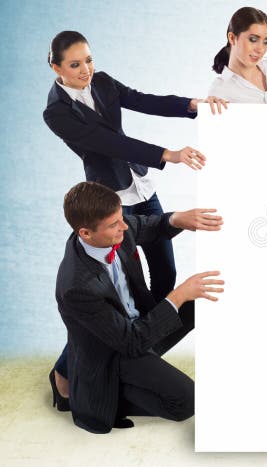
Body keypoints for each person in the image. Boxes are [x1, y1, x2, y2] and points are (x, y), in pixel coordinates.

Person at [44, 31, 228, 402]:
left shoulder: (104, 82)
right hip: (111, 200)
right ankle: (66, 373)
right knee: (114, 296)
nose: (86, 70)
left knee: (165, 277)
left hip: (142, 189)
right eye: (76, 64)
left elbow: (144, 100)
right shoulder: (57, 113)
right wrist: (169, 154)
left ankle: (136, 349)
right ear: (56, 67)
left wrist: (192, 105)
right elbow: (108, 143)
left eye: (89, 60)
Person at [51, 181, 224, 433]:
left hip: (136, 328)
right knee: (187, 402)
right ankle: (105, 394)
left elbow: (145, 226)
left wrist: (177, 219)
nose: (124, 226)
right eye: (114, 224)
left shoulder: (112, 229)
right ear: (85, 233)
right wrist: (177, 296)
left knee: (202, 302)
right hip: (117, 351)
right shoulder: (76, 287)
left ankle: (133, 372)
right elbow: (131, 343)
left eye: (121, 218)